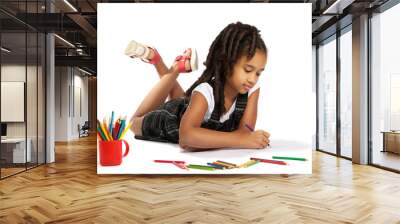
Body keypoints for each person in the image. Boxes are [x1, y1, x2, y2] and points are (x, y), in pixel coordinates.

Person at [126, 22, 270, 151]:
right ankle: (173, 67)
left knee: (184, 102)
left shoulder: (252, 89)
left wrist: (242, 138)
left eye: (258, 73)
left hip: (189, 109)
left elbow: (245, 132)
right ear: (227, 62)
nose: (253, 79)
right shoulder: (204, 92)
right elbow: (186, 137)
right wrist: (240, 140)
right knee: (133, 123)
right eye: (248, 70)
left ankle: (166, 62)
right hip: (170, 119)